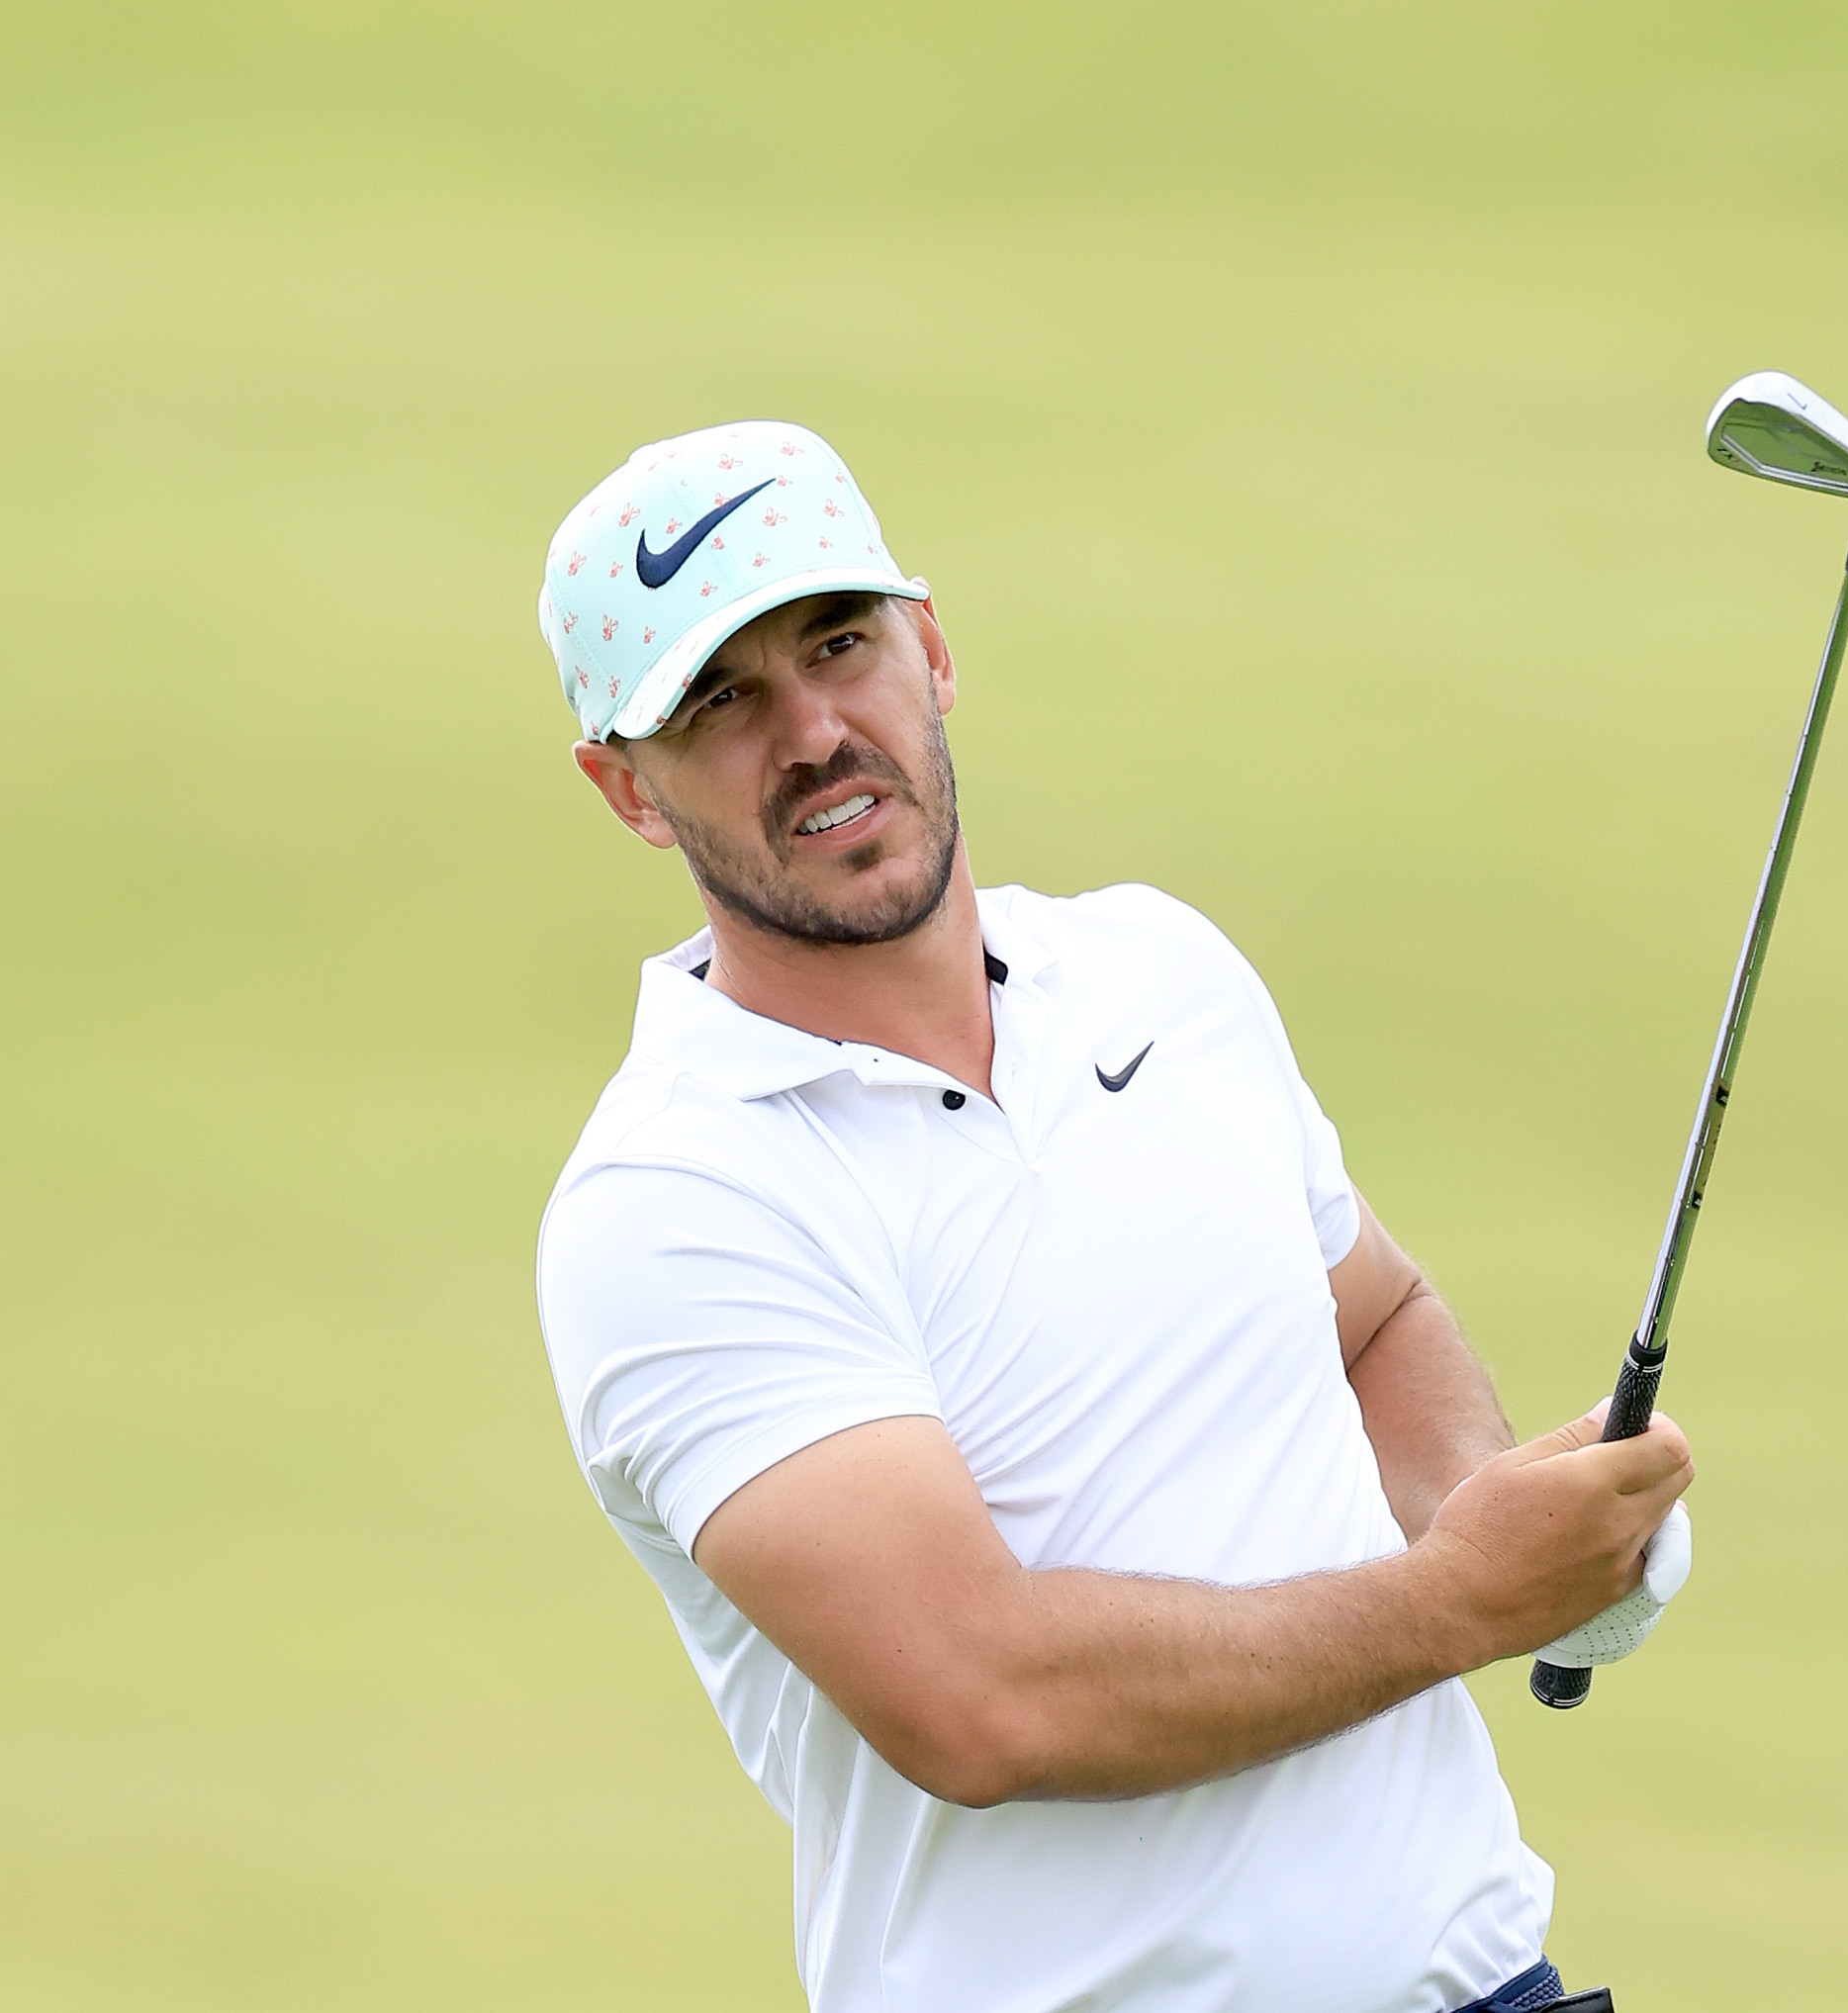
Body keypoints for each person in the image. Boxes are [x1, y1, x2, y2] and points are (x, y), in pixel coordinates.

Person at [531, 420, 1695, 2013]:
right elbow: (983, 1699)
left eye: (840, 644)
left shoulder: (1160, 972)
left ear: (932, 650)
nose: (811, 731)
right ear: (626, 790)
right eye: (721, 700)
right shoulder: (674, 1202)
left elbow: (1372, 1320)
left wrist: (1506, 1515)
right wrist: (1463, 1598)